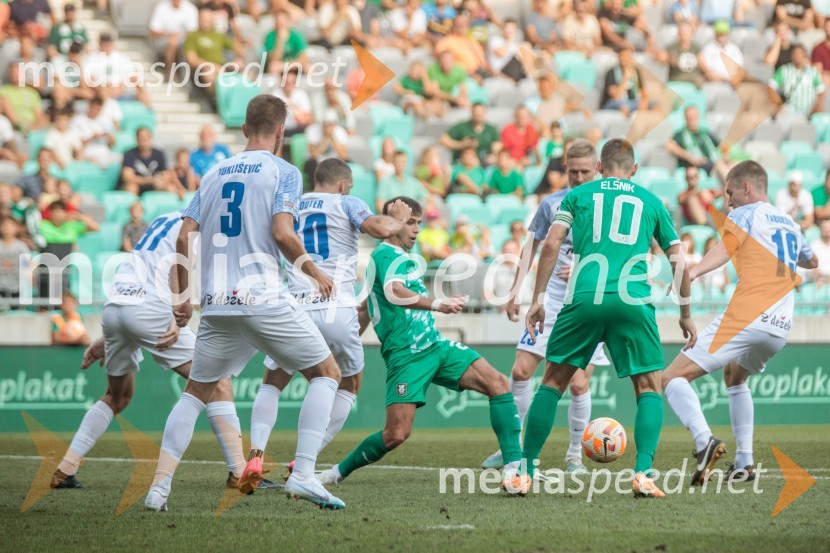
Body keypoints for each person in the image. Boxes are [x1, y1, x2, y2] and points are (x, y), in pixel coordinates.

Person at [144, 95, 345, 512]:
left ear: (243, 129)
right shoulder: (283, 171)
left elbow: (184, 236)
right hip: (262, 296)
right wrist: (315, 272)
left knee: (195, 393)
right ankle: (304, 475)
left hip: (216, 303)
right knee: (327, 373)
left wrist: (182, 298)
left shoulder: (213, 171)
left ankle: (158, 490)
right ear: (280, 133)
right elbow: (282, 233)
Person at [317, 197, 528, 493]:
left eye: (418, 222)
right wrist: (438, 304)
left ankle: (514, 468)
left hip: (435, 346)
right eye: (409, 222)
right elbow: (393, 292)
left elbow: (366, 306)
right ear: (391, 224)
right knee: (396, 434)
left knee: (498, 383)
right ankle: (335, 473)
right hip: (408, 356)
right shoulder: (386, 254)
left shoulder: (402, 258)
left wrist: (347, 342)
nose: (416, 229)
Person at [522, 138, 696, 497]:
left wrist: (537, 299)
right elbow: (680, 263)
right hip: (632, 301)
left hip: (584, 296)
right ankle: (643, 473)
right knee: (649, 388)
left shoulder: (578, 195)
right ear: (633, 170)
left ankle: (523, 470)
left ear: (599, 168)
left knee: (552, 383)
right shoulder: (652, 201)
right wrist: (685, 315)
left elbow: (551, 244)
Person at [245, 160, 413, 482]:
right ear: (341, 184)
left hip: (295, 306)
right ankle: (305, 458)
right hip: (335, 304)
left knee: (273, 381)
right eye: (348, 186)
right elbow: (378, 229)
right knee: (348, 383)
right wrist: (398, 219)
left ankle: (255, 455)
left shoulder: (291, 204)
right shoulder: (346, 202)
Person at [663, 160, 817, 484]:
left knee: (672, 378)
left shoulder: (745, 213)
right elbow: (812, 260)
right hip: (780, 324)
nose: (728, 202)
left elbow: (724, 249)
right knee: (734, 376)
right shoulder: (789, 221)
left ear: (746, 188)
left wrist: (693, 270)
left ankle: (704, 442)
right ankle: (745, 463)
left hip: (748, 316)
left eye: (730, 193)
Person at [482, 140, 613, 474]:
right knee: (521, 372)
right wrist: (515, 292)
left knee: (579, 383)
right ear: (564, 170)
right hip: (550, 304)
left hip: (588, 306)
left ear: (597, 169)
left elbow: (626, 252)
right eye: (573, 172)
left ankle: (574, 455)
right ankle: (510, 448)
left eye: (585, 172)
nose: (579, 178)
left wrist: (588, 267)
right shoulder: (550, 204)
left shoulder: (608, 206)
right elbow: (532, 248)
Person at [666, 106, 729, 182]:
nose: (692, 118)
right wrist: (688, 156)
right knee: (720, 166)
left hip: (714, 161)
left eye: (694, 116)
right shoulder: (681, 134)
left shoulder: (705, 132)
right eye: (689, 116)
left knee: (735, 164)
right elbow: (669, 145)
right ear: (685, 118)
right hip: (698, 164)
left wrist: (725, 156)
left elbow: (722, 146)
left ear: (698, 117)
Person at [768, 44, 825, 118]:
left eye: (800, 53)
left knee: (823, 118)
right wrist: (778, 103)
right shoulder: (783, 70)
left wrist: (816, 106)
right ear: (791, 55)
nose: (798, 56)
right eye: (795, 53)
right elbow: (770, 87)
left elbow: (821, 92)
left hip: (809, 107)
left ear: (804, 55)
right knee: (778, 117)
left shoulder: (813, 72)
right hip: (789, 107)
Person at [149, 0, 199, 79]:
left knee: (176, 41)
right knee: (173, 41)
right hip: (164, 40)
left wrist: (178, 35)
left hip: (185, 41)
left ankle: (183, 74)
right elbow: (153, 31)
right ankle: (170, 71)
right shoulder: (161, 7)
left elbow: (192, 32)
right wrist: (169, 34)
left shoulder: (190, 8)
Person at [120, 128, 177, 196]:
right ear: (137, 139)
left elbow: (167, 173)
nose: (143, 142)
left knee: (171, 188)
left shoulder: (159, 153)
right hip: (138, 185)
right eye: (141, 139)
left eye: (145, 139)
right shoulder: (129, 154)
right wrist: (149, 180)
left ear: (150, 138)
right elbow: (128, 177)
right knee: (131, 187)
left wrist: (161, 181)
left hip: (154, 185)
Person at [601, 47, 648, 115]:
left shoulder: (636, 71)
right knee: (624, 107)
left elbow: (644, 92)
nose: (624, 59)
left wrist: (644, 101)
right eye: (622, 56)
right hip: (615, 103)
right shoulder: (611, 72)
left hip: (633, 101)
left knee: (655, 105)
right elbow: (616, 97)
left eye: (627, 56)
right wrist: (625, 78)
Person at [263, 9, 308, 74]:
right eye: (279, 22)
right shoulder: (270, 37)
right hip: (280, 66)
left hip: (294, 65)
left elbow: (304, 58)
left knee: (308, 68)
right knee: (273, 67)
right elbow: (273, 60)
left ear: (288, 22)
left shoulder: (296, 35)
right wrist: (280, 41)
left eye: (283, 22)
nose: (281, 25)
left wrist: (292, 64)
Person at [0, 217, 30, 305]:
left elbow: (27, 263)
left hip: (16, 285)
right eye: (4, 225)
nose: (7, 228)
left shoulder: (21, 246)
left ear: (16, 228)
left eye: (10, 225)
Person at [665, 22, 704, 88]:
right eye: (683, 33)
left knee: (700, 80)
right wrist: (669, 59)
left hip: (694, 75)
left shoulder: (696, 48)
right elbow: (660, 57)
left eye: (687, 33)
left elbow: (703, 64)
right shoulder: (672, 48)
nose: (685, 36)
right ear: (679, 34)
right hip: (677, 76)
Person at [810, 218, 830, 285]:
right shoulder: (813, 246)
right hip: (819, 283)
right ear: (821, 229)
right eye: (825, 228)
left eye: (829, 227)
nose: (827, 230)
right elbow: (813, 271)